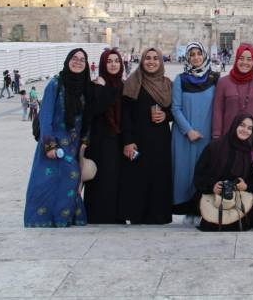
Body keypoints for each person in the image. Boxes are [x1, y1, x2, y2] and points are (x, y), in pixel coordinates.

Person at [24, 49, 94, 227]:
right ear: (67, 61)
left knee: (69, 180)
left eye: (82, 60)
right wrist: (49, 145)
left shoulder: (85, 87)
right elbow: (45, 116)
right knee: (47, 182)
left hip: (73, 144)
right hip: (54, 142)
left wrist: (84, 142)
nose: (78, 62)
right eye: (74, 58)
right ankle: (41, 219)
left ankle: (63, 218)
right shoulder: (55, 84)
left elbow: (88, 118)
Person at [119, 48, 174, 225]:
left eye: (155, 58)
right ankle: (138, 215)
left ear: (161, 62)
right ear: (142, 61)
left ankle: (159, 216)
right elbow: (125, 115)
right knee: (138, 178)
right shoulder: (133, 82)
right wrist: (128, 141)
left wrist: (166, 115)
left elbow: (174, 110)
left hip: (161, 140)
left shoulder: (167, 84)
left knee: (159, 177)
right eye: (147, 58)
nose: (151, 62)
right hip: (138, 139)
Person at [171, 41, 220, 225]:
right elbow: (175, 108)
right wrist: (188, 131)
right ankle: (187, 210)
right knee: (185, 173)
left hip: (206, 133)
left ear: (204, 55)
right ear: (187, 58)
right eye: (192, 55)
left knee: (204, 171)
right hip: (184, 135)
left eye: (199, 53)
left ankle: (202, 209)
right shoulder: (180, 79)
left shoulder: (214, 78)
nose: (196, 58)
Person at [193, 113, 253, 231]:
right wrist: (212, 186)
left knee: (243, 222)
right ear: (234, 125)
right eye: (242, 125)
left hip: (237, 198)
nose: (245, 130)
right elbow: (198, 176)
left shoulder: (250, 152)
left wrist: (245, 186)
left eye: (249, 128)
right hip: (212, 197)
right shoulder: (215, 147)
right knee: (212, 225)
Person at [83, 49, 125, 224]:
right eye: (109, 61)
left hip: (118, 138)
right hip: (99, 140)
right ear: (103, 64)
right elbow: (95, 110)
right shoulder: (96, 85)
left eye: (116, 61)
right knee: (100, 178)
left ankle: (116, 215)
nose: (113, 64)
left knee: (116, 178)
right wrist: (101, 88)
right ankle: (96, 215)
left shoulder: (123, 86)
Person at [212, 43, 253, 139]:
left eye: (249, 59)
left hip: (249, 138)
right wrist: (216, 135)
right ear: (236, 59)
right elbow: (218, 110)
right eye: (241, 58)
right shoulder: (223, 82)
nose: (245, 62)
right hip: (228, 137)